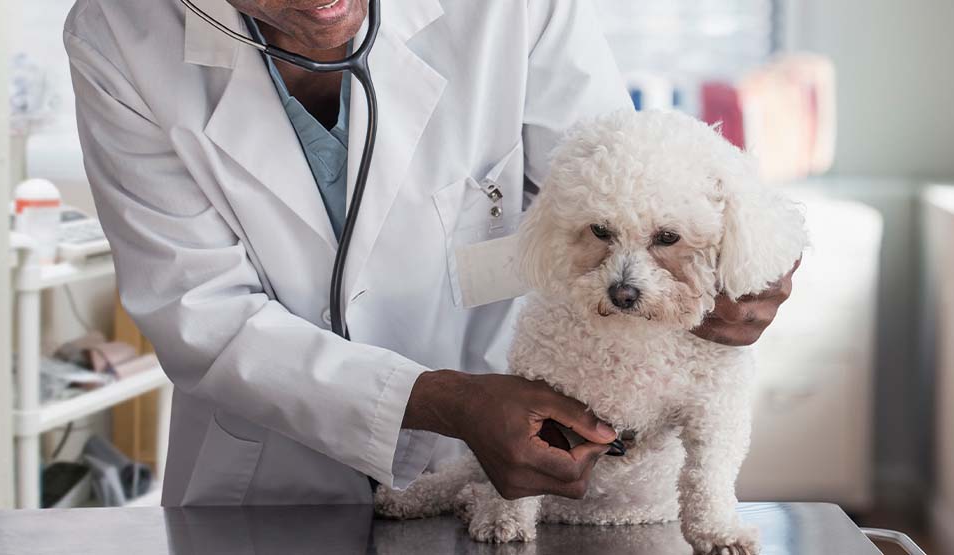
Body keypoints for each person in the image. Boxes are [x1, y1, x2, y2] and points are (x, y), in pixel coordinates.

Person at [65, 0, 796, 506]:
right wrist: (441, 400)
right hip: (267, 478)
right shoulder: (121, 36)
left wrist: (734, 270)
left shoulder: (515, 11)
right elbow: (202, 313)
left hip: (501, 467)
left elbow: (622, 182)